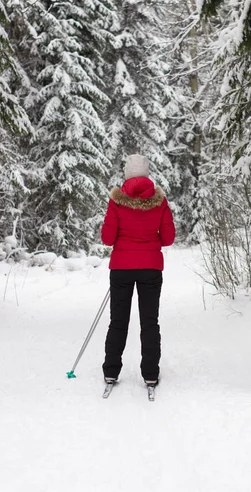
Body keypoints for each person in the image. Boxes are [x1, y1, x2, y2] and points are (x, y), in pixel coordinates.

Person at [101, 154, 175, 386]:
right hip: (151, 267)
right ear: (147, 173)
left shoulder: (117, 201)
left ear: (127, 173)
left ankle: (111, 371)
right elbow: (169, 238)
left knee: (118, 321)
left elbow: (107, 238)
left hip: (121, 268)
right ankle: (150, 373)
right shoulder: (159, 200)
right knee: (149, 321)